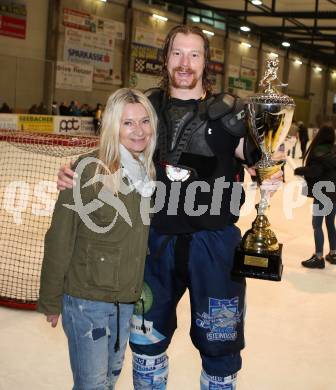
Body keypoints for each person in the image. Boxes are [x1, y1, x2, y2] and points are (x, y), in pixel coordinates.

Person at [57, 25, 282, 390]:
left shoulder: (230, 112)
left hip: (215, 246)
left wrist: (271, 170)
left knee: (220, 344)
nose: (185, 63)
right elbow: (115, 148)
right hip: (152, 241)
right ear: (166, 57)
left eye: (194, 54)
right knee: (146, 338)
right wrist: (76, 169)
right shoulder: (148, 107)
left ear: (206, 61)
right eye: (177, 53)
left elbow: (258, 156)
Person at [38, 88, 157, 389]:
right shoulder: (87, 170)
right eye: (128, 123)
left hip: (124, 301)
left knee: (109, 378)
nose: (139, 131)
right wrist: (51, 299)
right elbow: (59, 238)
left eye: (144, 121)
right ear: (112, 126)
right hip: (86, 302)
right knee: (91, 384)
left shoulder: (147, 173)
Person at [294, 125, 336, 268]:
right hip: (334, 193)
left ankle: (319, 257)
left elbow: (315, 171)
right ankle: (333, 253)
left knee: (317, 224)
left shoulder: (319, 150)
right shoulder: (334, 150)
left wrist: (299, 170)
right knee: (330, 223)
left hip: (322, 192)